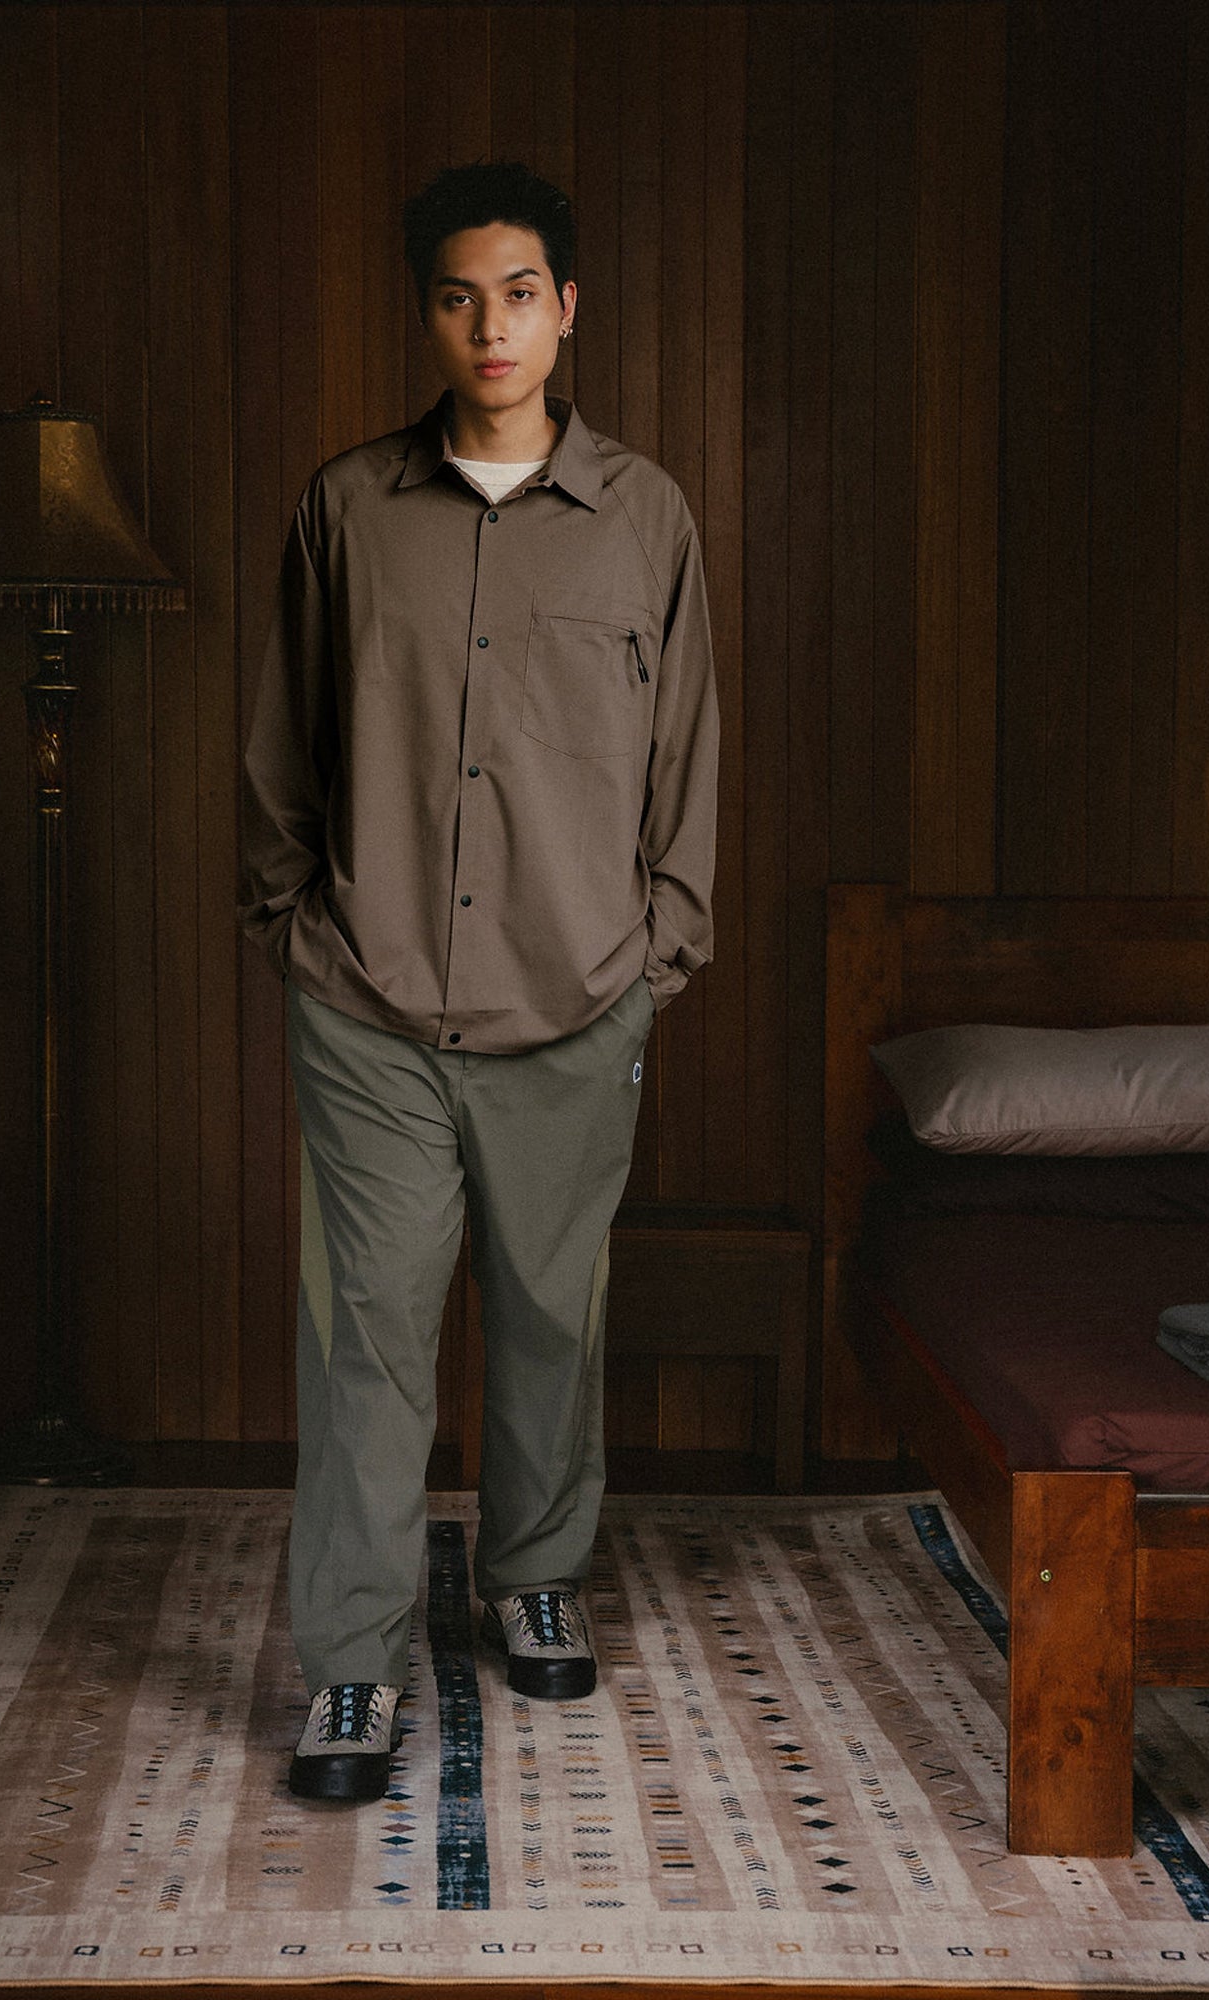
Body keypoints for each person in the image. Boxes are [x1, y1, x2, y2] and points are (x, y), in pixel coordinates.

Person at [239, 160, 719, 1803]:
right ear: (428, 313)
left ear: (566, 307)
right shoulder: (346, 508)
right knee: (364, 1335)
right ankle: (356, 1670)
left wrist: (657, 946)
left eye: (519, 291)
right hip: (368, 1003)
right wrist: (298, 927)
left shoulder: (646, 515)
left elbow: (688, 758)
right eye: (459, 294)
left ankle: (532, 1574)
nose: (491, 323)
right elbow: (284, 744)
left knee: (547, 1320)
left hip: (581, 1003)